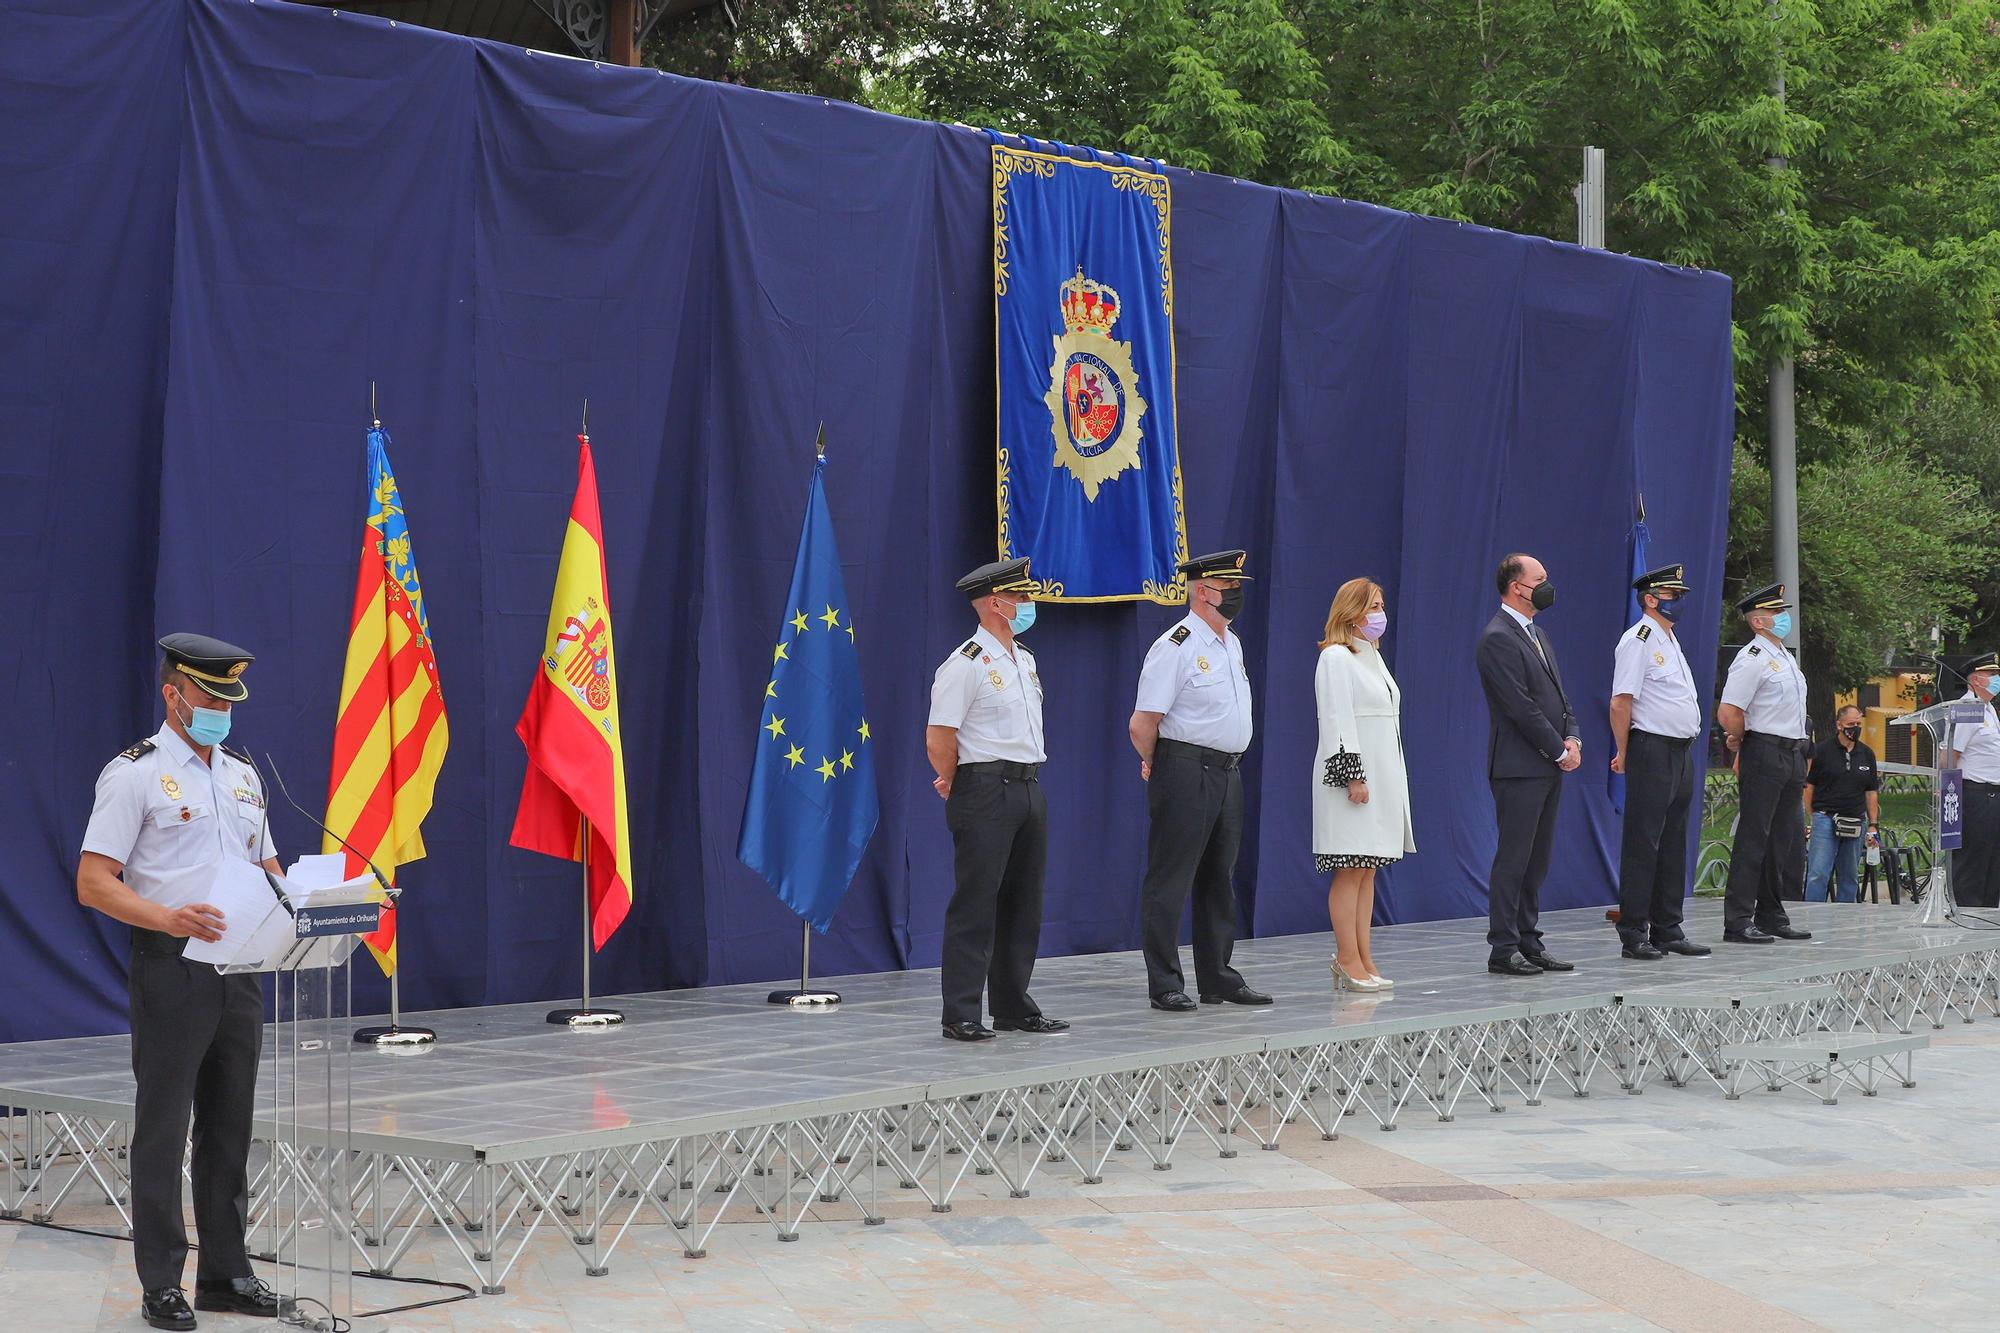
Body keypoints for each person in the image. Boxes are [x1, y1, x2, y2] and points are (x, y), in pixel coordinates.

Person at [76, 635, 289, 1332]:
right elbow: (94, 881)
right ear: (174, 694)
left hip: (240, 967)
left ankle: (227, 1273)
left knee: (230, 1126)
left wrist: (318, 902)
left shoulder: (243, 774)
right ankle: (160, 1281)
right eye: (211, 696)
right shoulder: (133, 773)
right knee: (164, 1127)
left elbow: (270, 865)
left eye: (231, 699)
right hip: (171, 964)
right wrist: (167, 915)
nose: (223, 709)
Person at [926, 557, 1068, 1042]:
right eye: (1022, 597)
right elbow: (940, 736)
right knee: (977, 900)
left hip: (1028, 784)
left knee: (1023, 902)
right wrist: (957, 779)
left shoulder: (1023, 659)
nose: (1029, 604)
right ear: (995, 602)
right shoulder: (965, 662)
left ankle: (1012, 1004)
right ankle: (961, 1010)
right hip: (985, 787)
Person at [1128, 549, 1272, 1011]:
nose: (1236, 594)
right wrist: (1157, 763)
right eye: (1229, 587)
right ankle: (1166, 980)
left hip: (1227, 771)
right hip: (1186, 768)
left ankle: (1218, 976)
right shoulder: (1176, 645)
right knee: (1171, 876)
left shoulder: (1232, 643)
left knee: (1218, 877)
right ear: (1204, 591)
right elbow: (1143, 721)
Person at [1475, 554, 1579, 976]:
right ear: (1517, 587)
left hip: (1548, 764)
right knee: (1514, 858)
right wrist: (1558, 749)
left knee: (1538, 859)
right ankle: (1503, 946)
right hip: (1520, 766)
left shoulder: (1538, 634)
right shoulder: (1497, 637)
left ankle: (1529, 939)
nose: (1547, 585)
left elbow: (1558, 697)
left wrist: (1573, 737)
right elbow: (1520, 707)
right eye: (1540, 579)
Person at [1312, 578, 1414, 992]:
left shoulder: (1370, 656)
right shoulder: (1336, 657)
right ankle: (1346, 957)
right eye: (1373, 605)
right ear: (1352, 612)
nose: (1380, 613)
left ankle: (1364, 956)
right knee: (1349, 867)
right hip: (1352, 778)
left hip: (1381, 775)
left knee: (1368, 869)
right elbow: (1337, 718)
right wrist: (1352, 774)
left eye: (1381, 604)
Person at [1608, 563, 1712, 959]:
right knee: (1643, 842)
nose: (1679, 602)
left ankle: (1668, 927)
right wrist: (1623, 750)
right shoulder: (1640, 639)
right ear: (1651, 600)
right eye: (1673, 596)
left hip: (1681, 750)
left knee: (1672, 842)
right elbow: (1621, 701)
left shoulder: (1670, 640)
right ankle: (1634, 931)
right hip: (1651, 748)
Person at [1716, 582, 1814, 943]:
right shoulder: (1752, 658)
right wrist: (1741, 740)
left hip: (1791, 752)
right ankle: (1738, 919)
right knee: (1754, 836)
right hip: (1764, 749)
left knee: (1783, 838)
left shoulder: (1785, 657)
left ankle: (1771, 912)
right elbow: (1729, 711)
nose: (1783, 617)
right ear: (1758, 621)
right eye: (1776, 612)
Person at [1803, 704, 1881, 904]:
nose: (1854, 728)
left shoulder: (1867, 754)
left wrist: (1873, 824)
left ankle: (1845, 916)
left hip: (1855, 820)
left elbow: (1871, 792)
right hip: (1825, 817)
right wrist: (1813, 815)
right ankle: (1812, 915)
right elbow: (1808, 786)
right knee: (1818, 873)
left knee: (1849, 875)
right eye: (1850, 724)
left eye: (1858, 724)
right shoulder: (1822, 750)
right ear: (1839, 725)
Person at [1946, 652, 2000, 910]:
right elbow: (1950, 755)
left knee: (1992, 862)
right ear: (1976, 679)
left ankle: (1988, 920)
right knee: (1973, 863)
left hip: (1993, 795)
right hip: (1975, 795)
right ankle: (1969, 917)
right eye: (1992, 675)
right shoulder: (1968, 708)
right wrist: (1947, 793)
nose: (1997, 679)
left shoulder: (1988, 710)